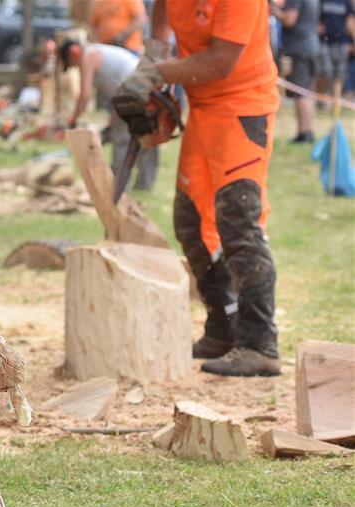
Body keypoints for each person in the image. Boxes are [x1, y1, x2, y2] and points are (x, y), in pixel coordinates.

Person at [116, 0, 281, 376]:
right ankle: (222, 328)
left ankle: (260, 342)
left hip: (244, 107)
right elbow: (161, 10)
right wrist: (155, 50)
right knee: (190, 222)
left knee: (238, 220)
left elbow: (219, 62)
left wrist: (156, 73)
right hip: (204, 107)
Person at [59, 39, 158, 191]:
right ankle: (144, 184)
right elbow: (115, 85)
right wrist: (114, 116)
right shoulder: (98, 51)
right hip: (142, 87)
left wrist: (74, 119)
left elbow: (85, 95)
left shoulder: (88, 56)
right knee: (145, 135)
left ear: (74, 51)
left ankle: (119, 186)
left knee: (122, 140)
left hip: (133, 90)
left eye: (73, 63)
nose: (76, 67)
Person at [273, 0, 321, 142]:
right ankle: (307, 131)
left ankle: (304, 133)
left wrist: (275, 13)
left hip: (299, 49)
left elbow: (289, 20)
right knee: (307, 92)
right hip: (312, 46)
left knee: (300, 92)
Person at [316, 0, 355, 98]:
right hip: (323, 42)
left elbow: (350, 22)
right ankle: (321, 98)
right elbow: (312, 14)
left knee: (339, 76)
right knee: (325, 71)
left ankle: (336, 105)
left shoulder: (346, 2)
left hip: (341, 42)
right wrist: (315, 26)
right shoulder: (321, 1)